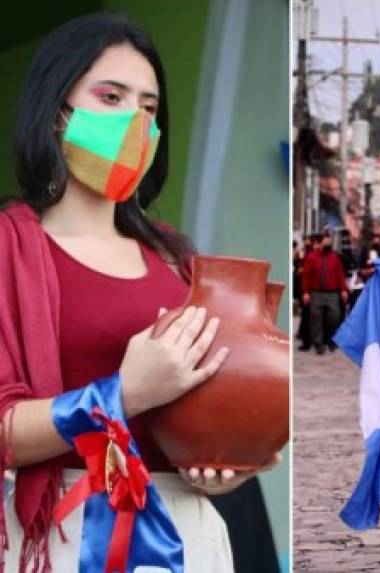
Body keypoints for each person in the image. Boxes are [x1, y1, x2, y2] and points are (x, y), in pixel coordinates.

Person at [0, 14, 276, 571]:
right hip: (65, 533)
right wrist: (122, 395)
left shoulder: (177, 258)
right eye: (111, 97)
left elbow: (208, 402)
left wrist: (226, 462)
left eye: (148, 108)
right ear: (58, 113)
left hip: (186, 534)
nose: (135, 122)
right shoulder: (12, 247)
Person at [301, 233, 349, 355]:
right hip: (316, 293)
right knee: (315, 318)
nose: (327, 244)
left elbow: (340, 275)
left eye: (329, 242)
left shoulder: (335, 258)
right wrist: (305, 292)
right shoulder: (311, 257)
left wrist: (343, 290)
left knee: (334, 316)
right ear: (320, 243)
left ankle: (330, 339)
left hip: (332, 293)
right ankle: (318, 343)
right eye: (325, 242)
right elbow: (306, 276)